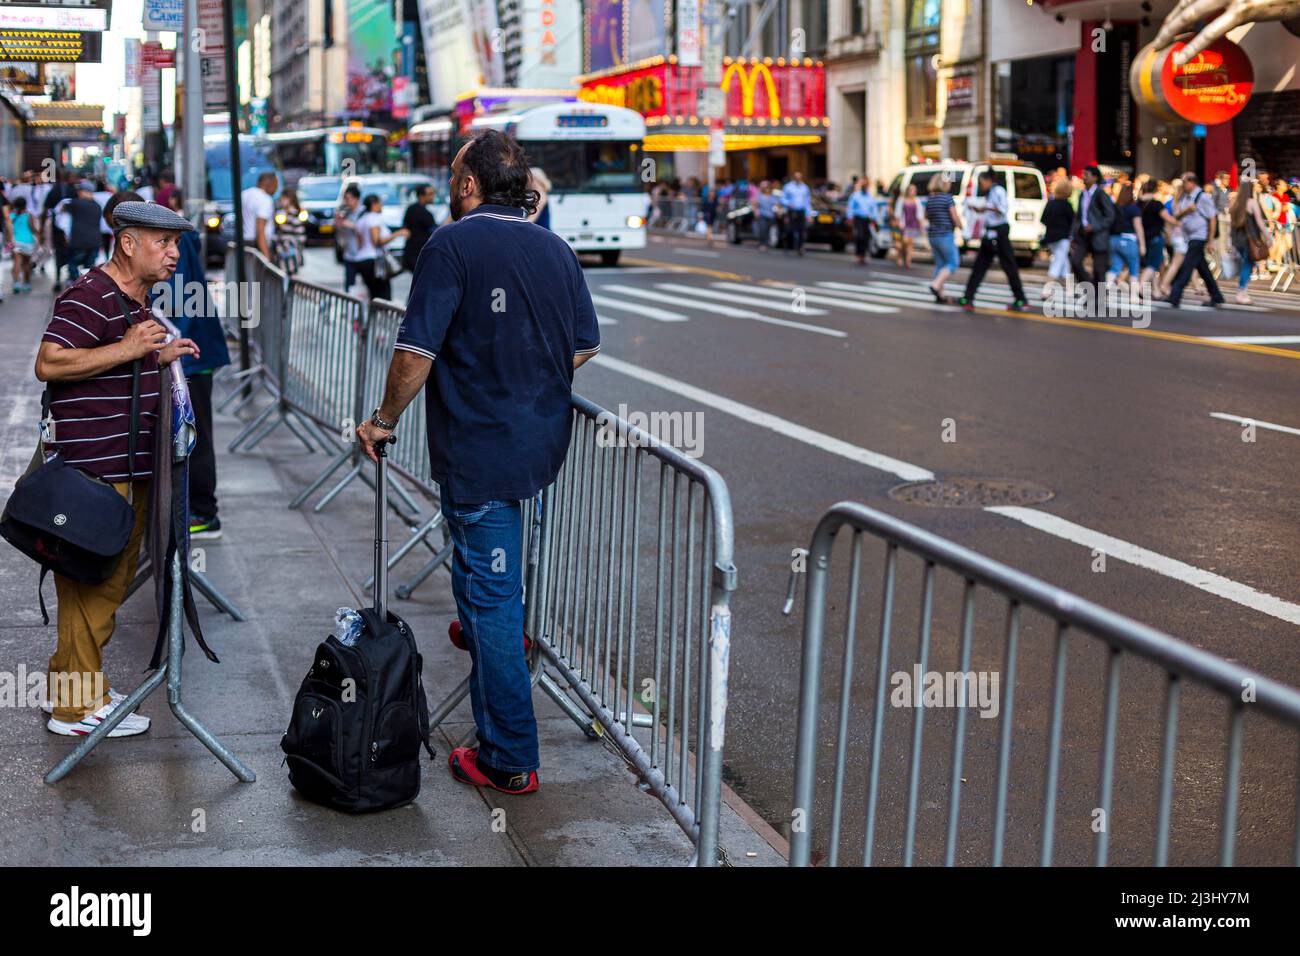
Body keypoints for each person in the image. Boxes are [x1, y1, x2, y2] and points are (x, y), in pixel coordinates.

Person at [355, 129, 600, 795]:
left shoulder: (451, 243)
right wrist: (528, 379)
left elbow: (414, 354)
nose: (448, 185)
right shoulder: (554, 246)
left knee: (494, 603)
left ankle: (509, 758)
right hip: (539, 444)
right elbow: (584, 343)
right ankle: (484, 633)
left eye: (453, 175)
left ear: (468, 185)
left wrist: (382, 421)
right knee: (489, 583)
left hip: (480, 448)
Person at [34, 201, 200, 737]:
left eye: (176, 243)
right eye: (163, 243)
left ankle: (75, 688)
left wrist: (157, 357)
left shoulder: (134, 300)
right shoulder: (90, 295)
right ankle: (75, 710)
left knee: (104, 584)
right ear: (128, 244)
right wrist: (130, 348)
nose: (174, 254)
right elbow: (50, 362)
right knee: (91, 588)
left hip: (126, 466)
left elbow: (115, 361)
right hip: (95, 473)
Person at [959, 169, 1029, 312]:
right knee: (980, 266)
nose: (981, 186)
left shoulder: (998, 191)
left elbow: (1002, 210)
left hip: (999, 233)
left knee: (1009, 266)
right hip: (989, 233)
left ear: (988, 180)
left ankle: (1021, 299)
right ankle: (968, 297)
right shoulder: (990, 193)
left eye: (981, 182)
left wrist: (985, 208)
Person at [1164, 172, 1225, 309]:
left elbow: (1212, 218)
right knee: (1203, 268)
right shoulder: (1186, 197)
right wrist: (1186, 210)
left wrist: (1210, 241)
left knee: (1187, 266)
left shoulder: (1203, 197)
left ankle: (1175, 295)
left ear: (1192, 182)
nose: (1182, 185)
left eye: (1184, 182)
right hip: (1189, 236)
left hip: (1199, 237)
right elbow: (1177, 216)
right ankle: (1216, 295)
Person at [350, 193, 406, 301]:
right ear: (374, 204)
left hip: (362, 260)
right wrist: (398, 234)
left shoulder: (361, 219)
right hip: (373, 262)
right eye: (380, 203)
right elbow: (377, 241)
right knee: (383, 296)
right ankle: (380, 317)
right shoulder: (373, 218)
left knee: (373, 295)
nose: (382, 206)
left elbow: (360, 243)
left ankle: (373, 317)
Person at [1069, 165, 1116, 286]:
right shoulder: (1082, 194)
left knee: (1099, 270)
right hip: (1083, 234)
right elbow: (1078, 216)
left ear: (1095, 178)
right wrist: (1074, 234)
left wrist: (1094, 226)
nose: (1083, 177)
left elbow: (1110, 216)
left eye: (1086, 175)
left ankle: (1098, 300)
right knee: (1075, 262)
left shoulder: (1101, 194)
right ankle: (1090, 288)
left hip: (1098, 235)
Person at [921, 173, 963, 302]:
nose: (949, 183)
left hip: (933, 235)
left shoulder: (930, 199)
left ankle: (940, 294)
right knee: (953, 262)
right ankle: (936, 285)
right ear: (943, 183)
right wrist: (960, 226)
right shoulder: (947, 198)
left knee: (940, 265)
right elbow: (954, 216)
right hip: (945, 234)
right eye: (948, 181)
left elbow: (926, 216)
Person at [1228, 176, 1270, 305]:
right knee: (1248, 265)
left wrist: (1230, 241)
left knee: (1245, 265)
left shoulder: (1234, 202)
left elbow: (1232, 224)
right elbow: (1260, 223)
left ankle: (1243, 291)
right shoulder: (1252, 202)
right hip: (1250, 239)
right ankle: (1241, 292)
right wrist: (1268, 237)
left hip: (1237, 239)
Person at [1040, 176, 1075, 297]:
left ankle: (1070, 289)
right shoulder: (1067, 206)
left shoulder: (1051, 203)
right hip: (1063, 238)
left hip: (1050, 237)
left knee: (1063, 261)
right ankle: (1046, 290)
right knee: (1059, 262)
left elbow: (1043, 219)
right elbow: (1073, 222)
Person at [1105, 183, 1145, 287]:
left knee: (1115, 267)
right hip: (1129, 240)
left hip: (1113, 239)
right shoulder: (1134, 208)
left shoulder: (1114, 206)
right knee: (1134, 267)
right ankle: (1134, 296)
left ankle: (1103, 291)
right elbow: (1138, 227)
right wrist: (1142, 245)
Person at [64, 182, 105, 281]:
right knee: (89, 268)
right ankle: (85, 285)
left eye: (80, 191)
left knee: (72, 264)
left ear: (83, 192)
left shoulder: (75, 203)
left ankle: (76, 283)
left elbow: (63, 208)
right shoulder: (97, 205)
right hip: (94, 241)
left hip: (78, 241)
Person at [1137, 180, 1167, 293]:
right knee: (1153, 264)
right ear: (1156, 189)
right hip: (1155, 237)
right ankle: (1140, 287)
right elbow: (1167, 218)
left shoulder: (1138, 202)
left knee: (1151, 264)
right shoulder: (1157, 204)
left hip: (1143, 237)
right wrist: (1178, 223)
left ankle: (1156, 290)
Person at [401, 182, 437, 275]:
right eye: (430, 194)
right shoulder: (425, 214)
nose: (433, 196)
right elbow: (436, 232)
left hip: (411, 253)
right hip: (418, 255)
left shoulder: (410, 209)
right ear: (421, 196)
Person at [241, 171, 278, 261]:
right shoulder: (265, 199)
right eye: (276, 185)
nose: (276, 189)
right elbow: (260, 229)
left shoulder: (244, 194)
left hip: (243, 243)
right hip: (258, 245)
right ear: (270, 184)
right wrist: (266, 257)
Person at [334, 184, 364, 291]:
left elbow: (366, 231)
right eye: (345, 199)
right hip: (349, 254)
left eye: (348, 198)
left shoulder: (363, 213)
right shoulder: (345, 213)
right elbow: (341, 235)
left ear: (356, 199)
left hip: (363, 256)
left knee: (365, 286)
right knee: (349, 286)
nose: (346, 201)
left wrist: (351, 225)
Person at [846, 177, 879, 265]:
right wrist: (849, 217)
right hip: (858, 218)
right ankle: (858, 254)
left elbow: (874, 208)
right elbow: (850, 207)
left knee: (866, 237)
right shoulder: (856, 195)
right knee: (859, 236)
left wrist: (875, 219)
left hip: (867, 219)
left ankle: (863, 255)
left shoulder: (870, 196)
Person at [274, 188, 307, 274]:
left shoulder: (293, 213)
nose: (281, 201)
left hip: (289, 249)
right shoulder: (282, 212)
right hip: (284, 249)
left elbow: (300, 234)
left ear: (290, 199)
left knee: (289, 275)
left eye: (283, 198)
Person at [9, 197, 36, 293]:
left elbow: (9, 229)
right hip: (28, 242)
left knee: (17, 263)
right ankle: (27, 283)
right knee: (26, 264)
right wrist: (39, 235)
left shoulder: (11, 215)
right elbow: (33, 229)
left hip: (16, 242)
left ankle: (16, 283)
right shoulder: (29, 215)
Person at [782, 171, 812, 255]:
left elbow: (807, 201)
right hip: (792, 211)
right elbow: (783, 199)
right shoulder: (788, 187)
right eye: (796, 177)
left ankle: (800, 247)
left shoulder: (805, 187)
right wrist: (789, 204)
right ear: (794, 178)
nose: (798, 179)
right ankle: (787, 245)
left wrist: (808, 214)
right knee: (790, 230)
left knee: (801, 230)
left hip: (801, 211)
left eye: (799, 177)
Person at [893, 183, 922, 268]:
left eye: (915, 190)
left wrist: (920, 224)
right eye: (912, 190)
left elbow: (919, 213)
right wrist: (898, 223)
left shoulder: (917, 200)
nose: (914, 192)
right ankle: (900, 257)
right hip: (904, 224)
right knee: (903, 242)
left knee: (910, 242)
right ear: (908, 191)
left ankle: (908, 260)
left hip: (913, 224)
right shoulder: (902, 199)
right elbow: (898, 212)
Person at [755, 181, 779, 249]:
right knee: (763, 229)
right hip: (762, 215)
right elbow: (756, 204)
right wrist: (756, 212)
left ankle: (767, 243)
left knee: (769, 230)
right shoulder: (759, 195)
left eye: (767, 187)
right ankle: (762, 243)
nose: (766, 189)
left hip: (771, 216)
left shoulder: (772, 196)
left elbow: (776, 205)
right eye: (765, 188)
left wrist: (778, 211)